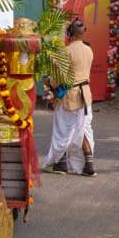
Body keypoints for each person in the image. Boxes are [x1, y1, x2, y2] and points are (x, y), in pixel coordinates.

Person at [42, 19, 96, 177]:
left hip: (69, 96)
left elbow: (59, 79)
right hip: (85, 95)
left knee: (64, 130)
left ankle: (60, 163)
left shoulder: (66, 51)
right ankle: (89, 165)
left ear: (70, 34)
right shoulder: (89, 50)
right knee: (83, 128)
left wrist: (48, 81)